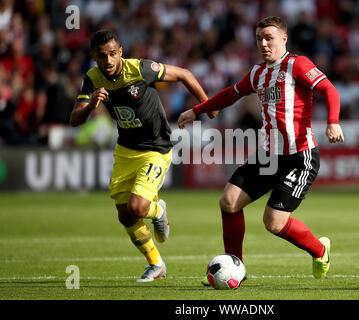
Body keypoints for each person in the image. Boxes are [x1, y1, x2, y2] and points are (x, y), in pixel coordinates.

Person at [178, 16, 344, 284]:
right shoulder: (258, 73)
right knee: (229, 202)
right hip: (268, 156)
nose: (264, 44)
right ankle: (237, 270)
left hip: (300, 157)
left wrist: (333, 123)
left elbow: (329, 89)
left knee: (273, 223)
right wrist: (197, 110)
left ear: (283, 39)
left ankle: (320, 251)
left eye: (269, 38)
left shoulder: (297, 64)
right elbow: (232, 93)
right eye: (259, 39)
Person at [70, 30, 217, 282]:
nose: (108, 61)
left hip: (155, 147)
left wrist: (206, 106)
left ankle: (158, 210)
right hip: (126, 150)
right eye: (102, 56)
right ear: (94, 56)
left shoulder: (141, 69)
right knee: (125, 214)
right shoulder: (92, 79)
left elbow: (184, 74)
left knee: (137, 207)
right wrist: (92, 106)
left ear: (121, 53)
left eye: (113, 54)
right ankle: (156, 264)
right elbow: (75, 119)